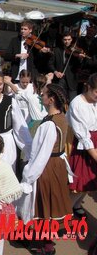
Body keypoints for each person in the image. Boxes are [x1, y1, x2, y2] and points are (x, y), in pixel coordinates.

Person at [18, 84, 72, 255]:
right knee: (51, 203)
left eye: (44, 95)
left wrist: (29, 175)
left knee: (43, 205)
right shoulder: (62, 117)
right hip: (58, 165)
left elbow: (41, 154)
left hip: (47, 167)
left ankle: (44, 245)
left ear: (51, 99)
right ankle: (40, 240)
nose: (41, 97)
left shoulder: (48, 125)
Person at [67, 73, 97, 219]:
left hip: (94, 142)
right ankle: (65, 211)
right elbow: (83, 135)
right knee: (80, 183)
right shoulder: (77, 104)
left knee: (91, 182)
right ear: (88, 87)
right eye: (96, 91)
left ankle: (76, 205)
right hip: (81, 146)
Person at [48, 32, 84, 101]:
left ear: (71, 40)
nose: (67, 41)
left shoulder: (75, 50)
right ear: (62, 40)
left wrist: (80, 58)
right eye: (65, 39)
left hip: (72, 80)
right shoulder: (56, 50)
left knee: (73, 100)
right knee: (60, 100)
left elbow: (79, 66)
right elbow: (50, 64)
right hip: (60, 79)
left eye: (69, 39)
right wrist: (55, 72)